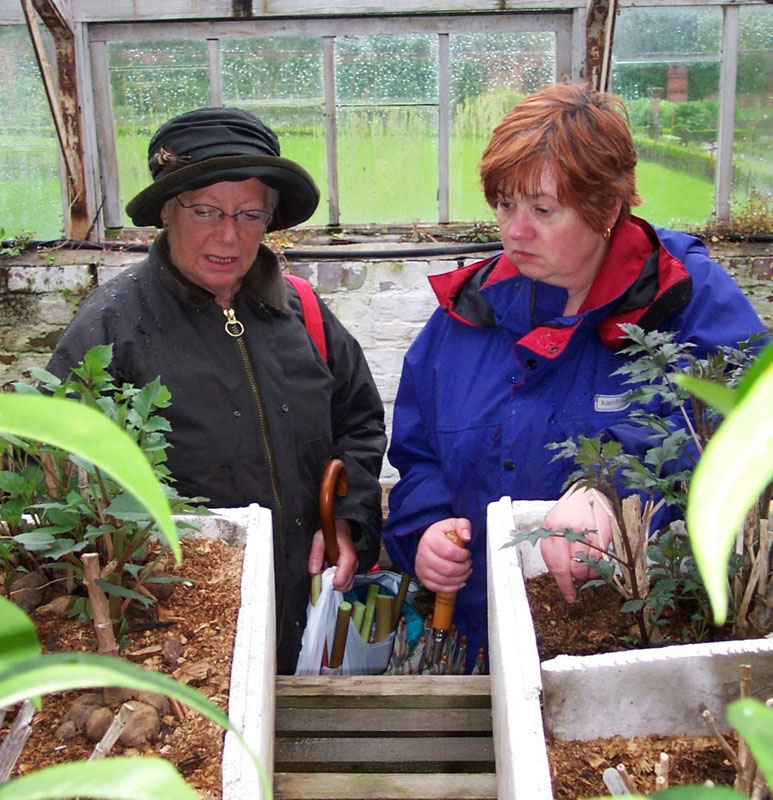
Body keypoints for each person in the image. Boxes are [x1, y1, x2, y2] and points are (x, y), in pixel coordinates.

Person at [381, 83, 769, 672]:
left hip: (643, 647)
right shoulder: (464, 316)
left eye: (542, 209)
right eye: (505, 204)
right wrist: (427, 531)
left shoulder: (688, 303)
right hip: (484, 642)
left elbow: (746, 440)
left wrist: (617, 494)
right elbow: (421, 458)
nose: (515, 231)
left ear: (607, 208)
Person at [46, 106, 387, 674]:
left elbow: (359, 422)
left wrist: (347, 521)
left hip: (301, 603)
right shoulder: (111, 327)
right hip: (177, 631)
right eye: (204, 210)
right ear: (165, 212)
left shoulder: (301, 311)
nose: (228, 235)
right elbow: (58, 474)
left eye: (251, 215)